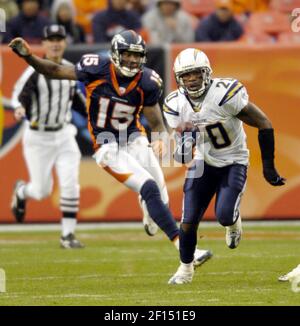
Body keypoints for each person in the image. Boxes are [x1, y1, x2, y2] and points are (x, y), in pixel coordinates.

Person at [9, 30, 212, 266]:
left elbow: (156, 120)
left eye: (137, 56)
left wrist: (159, 138)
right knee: (148, 187)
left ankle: (150, 209)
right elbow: (54, 71)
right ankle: (187, 249)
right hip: (106, 145)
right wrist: (29, 57)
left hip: (134, 138)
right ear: (116, 53)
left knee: (159, 192)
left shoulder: (147, 81)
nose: (133, 61)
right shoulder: (96, 68)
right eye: (127, 55)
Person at [163, 48, 285, 284]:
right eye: (186, 75)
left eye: (196, 73)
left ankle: (233, 223)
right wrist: (186, 145)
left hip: (233, 161)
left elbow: (264, 123)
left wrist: (268, 167)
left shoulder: (225, 93)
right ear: (179, 78)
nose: (191, 79)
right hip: (204, 161)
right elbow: (180, 157)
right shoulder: (175, 104)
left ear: (206, 72)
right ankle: (185, 269)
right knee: (188, 221)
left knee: (225, 215)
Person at [10, 24, 86, 249]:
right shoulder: (33, 71)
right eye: (50, 39)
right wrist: (20, 108)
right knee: (41, 190)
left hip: (64, 133)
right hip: (38, 136)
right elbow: (18, 96)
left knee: (71, 183)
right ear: (43, 44)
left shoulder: (71, 69)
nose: (55, 43)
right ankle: (22, 191)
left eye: (59, 39)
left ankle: (68, 235)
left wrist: (93, 115)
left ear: (64, 43)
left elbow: (76, 100)